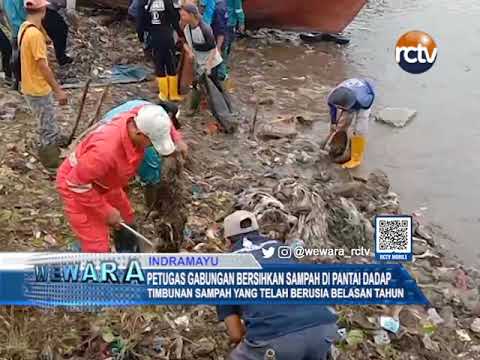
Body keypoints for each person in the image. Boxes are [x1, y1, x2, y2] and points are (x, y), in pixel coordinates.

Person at [56, 104, 178, 253]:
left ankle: (127, 255)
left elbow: (156, 115)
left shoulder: (138, 116)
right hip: (78, 186)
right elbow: (76, 184)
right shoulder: (104, 152)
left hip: (106, 182)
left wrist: (176, 138)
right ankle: (95, 261)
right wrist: (106, 211)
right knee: (97, 247)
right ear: (139, 133)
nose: (151, 146)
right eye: (151, 142)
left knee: (126, 217)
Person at [218, 210, 339, 360]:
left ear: (228, 242)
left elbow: (235, 335)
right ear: (259, 232)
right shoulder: (281, 248)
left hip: (277, 342)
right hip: (324, 328)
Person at [19, 0, 68, 169]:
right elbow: (42, 66)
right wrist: (58, 90)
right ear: (44, 9)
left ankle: (48, 152)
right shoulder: (35, 35)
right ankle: (51, 164)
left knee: (45, 122)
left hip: (29, 85)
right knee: (48, 127)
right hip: (38, 88)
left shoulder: (25, 27)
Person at [137, 0, 184, 102]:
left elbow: (140, 22)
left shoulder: (144, 2)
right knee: (171, 63)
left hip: (154, 37)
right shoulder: (166, 1)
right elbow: (174, 19)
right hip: (167, 35)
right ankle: (173, 94)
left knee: (159, 64)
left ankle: (163, 94)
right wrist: (180, 34)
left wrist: (141, 38)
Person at [326, 78, 375, 169]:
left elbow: (369, 101)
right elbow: (333, 108)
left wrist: (357, 133)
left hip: (364, 94)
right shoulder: (332, 96)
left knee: (360, 129)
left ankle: (356, 158)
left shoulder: (364, 100)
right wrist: (333, 123)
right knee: (342, 122)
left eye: (343, 107)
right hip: (349, 94)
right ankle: (339, 144)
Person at [3, 0, 72, 65]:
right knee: (30, 57)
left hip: (18, 27)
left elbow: (6, 12)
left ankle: (17, 73)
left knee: (19, 55)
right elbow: (27, 10)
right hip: (26, 26)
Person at [180, 3, 222, 81]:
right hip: (200, 62)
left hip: (212, 62)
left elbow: (213, 48)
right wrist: (189, 52)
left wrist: (209, 66)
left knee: (215, 84)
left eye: (183, 15)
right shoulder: (186, 29)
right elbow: (185, 43)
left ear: (191, 15)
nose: (181, 18)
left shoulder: (205, 29)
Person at [221, 0, 244, 79]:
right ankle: (223, 72)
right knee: (226, 48)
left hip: (221, 20)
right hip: (230, 23)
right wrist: (241, 22)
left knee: (222, 46)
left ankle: (221, 69)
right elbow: (238, 9)